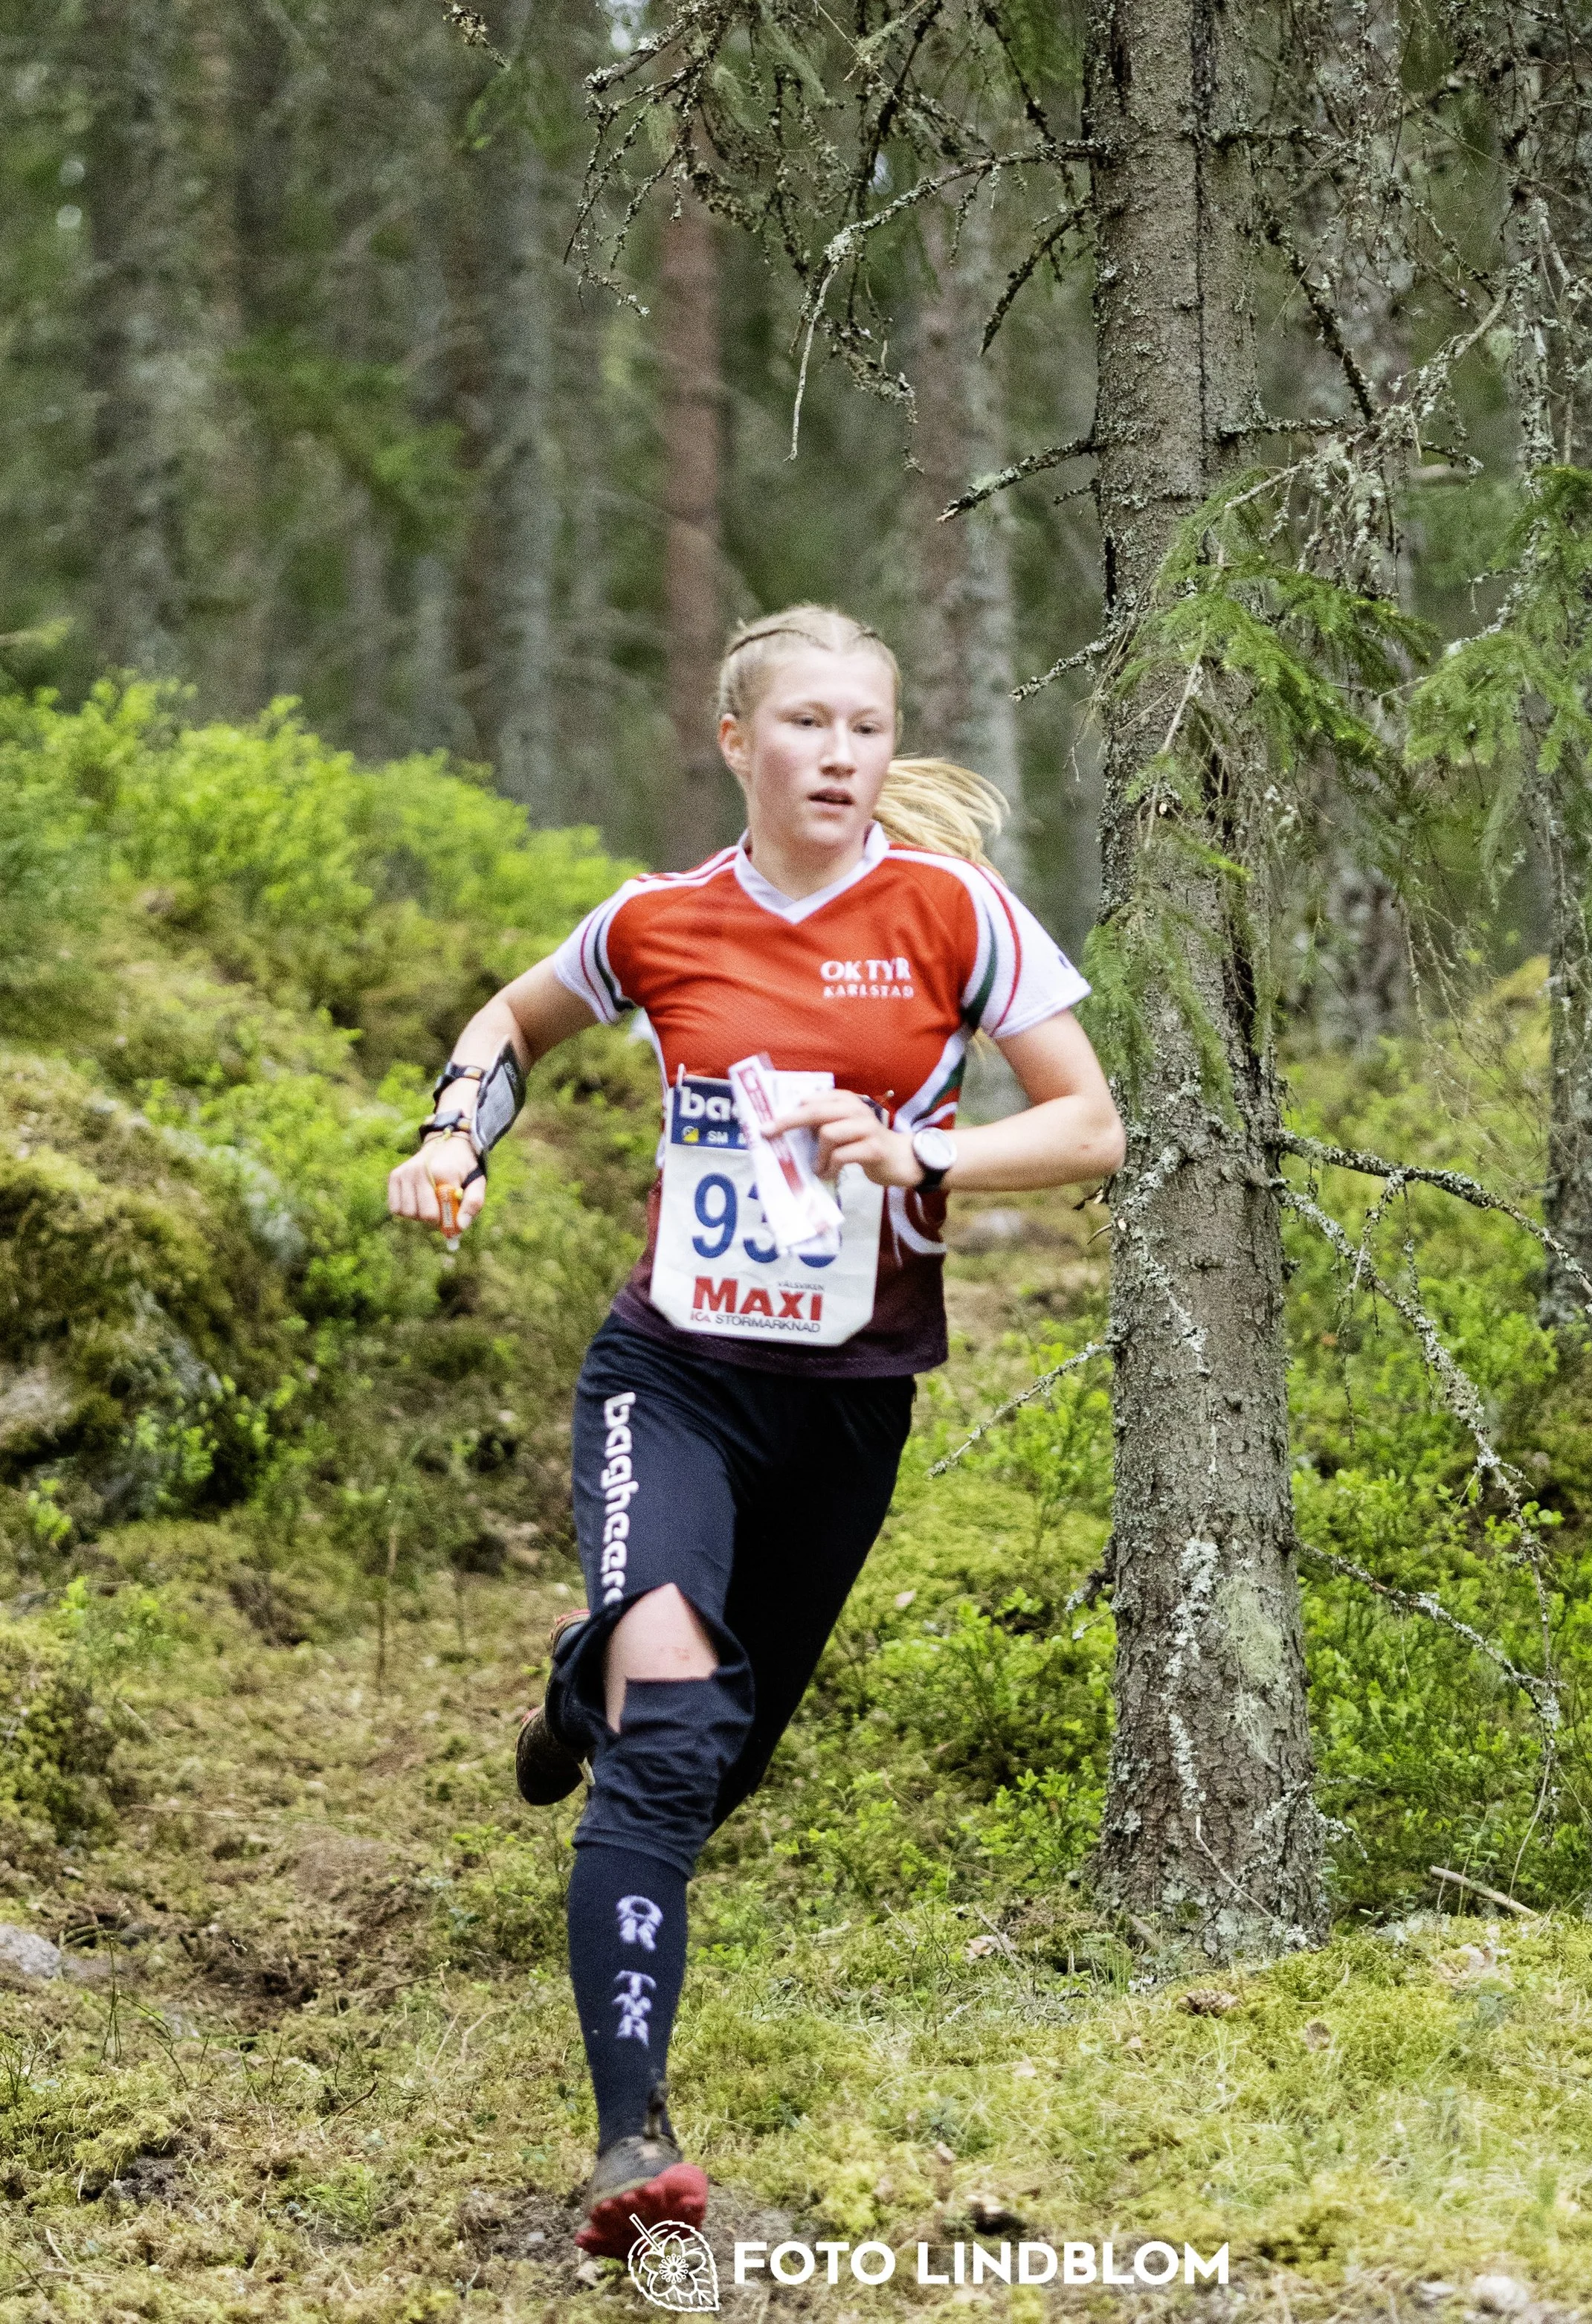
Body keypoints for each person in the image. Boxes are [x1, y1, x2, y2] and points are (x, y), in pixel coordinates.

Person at [385, 605, 1124, 2260]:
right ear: (738, 742)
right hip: (673, 1377)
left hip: (851, 1403)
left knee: (717, 1756)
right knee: (669, 1735)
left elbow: (1091, 1123)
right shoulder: (659, 920)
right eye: (805, 723)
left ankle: (576, 1686)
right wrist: (449, 1138)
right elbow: (509, 1025)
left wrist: (923, 1154)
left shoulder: (953, 912)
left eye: (867, 726)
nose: (840, 755)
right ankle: (628, 2143)